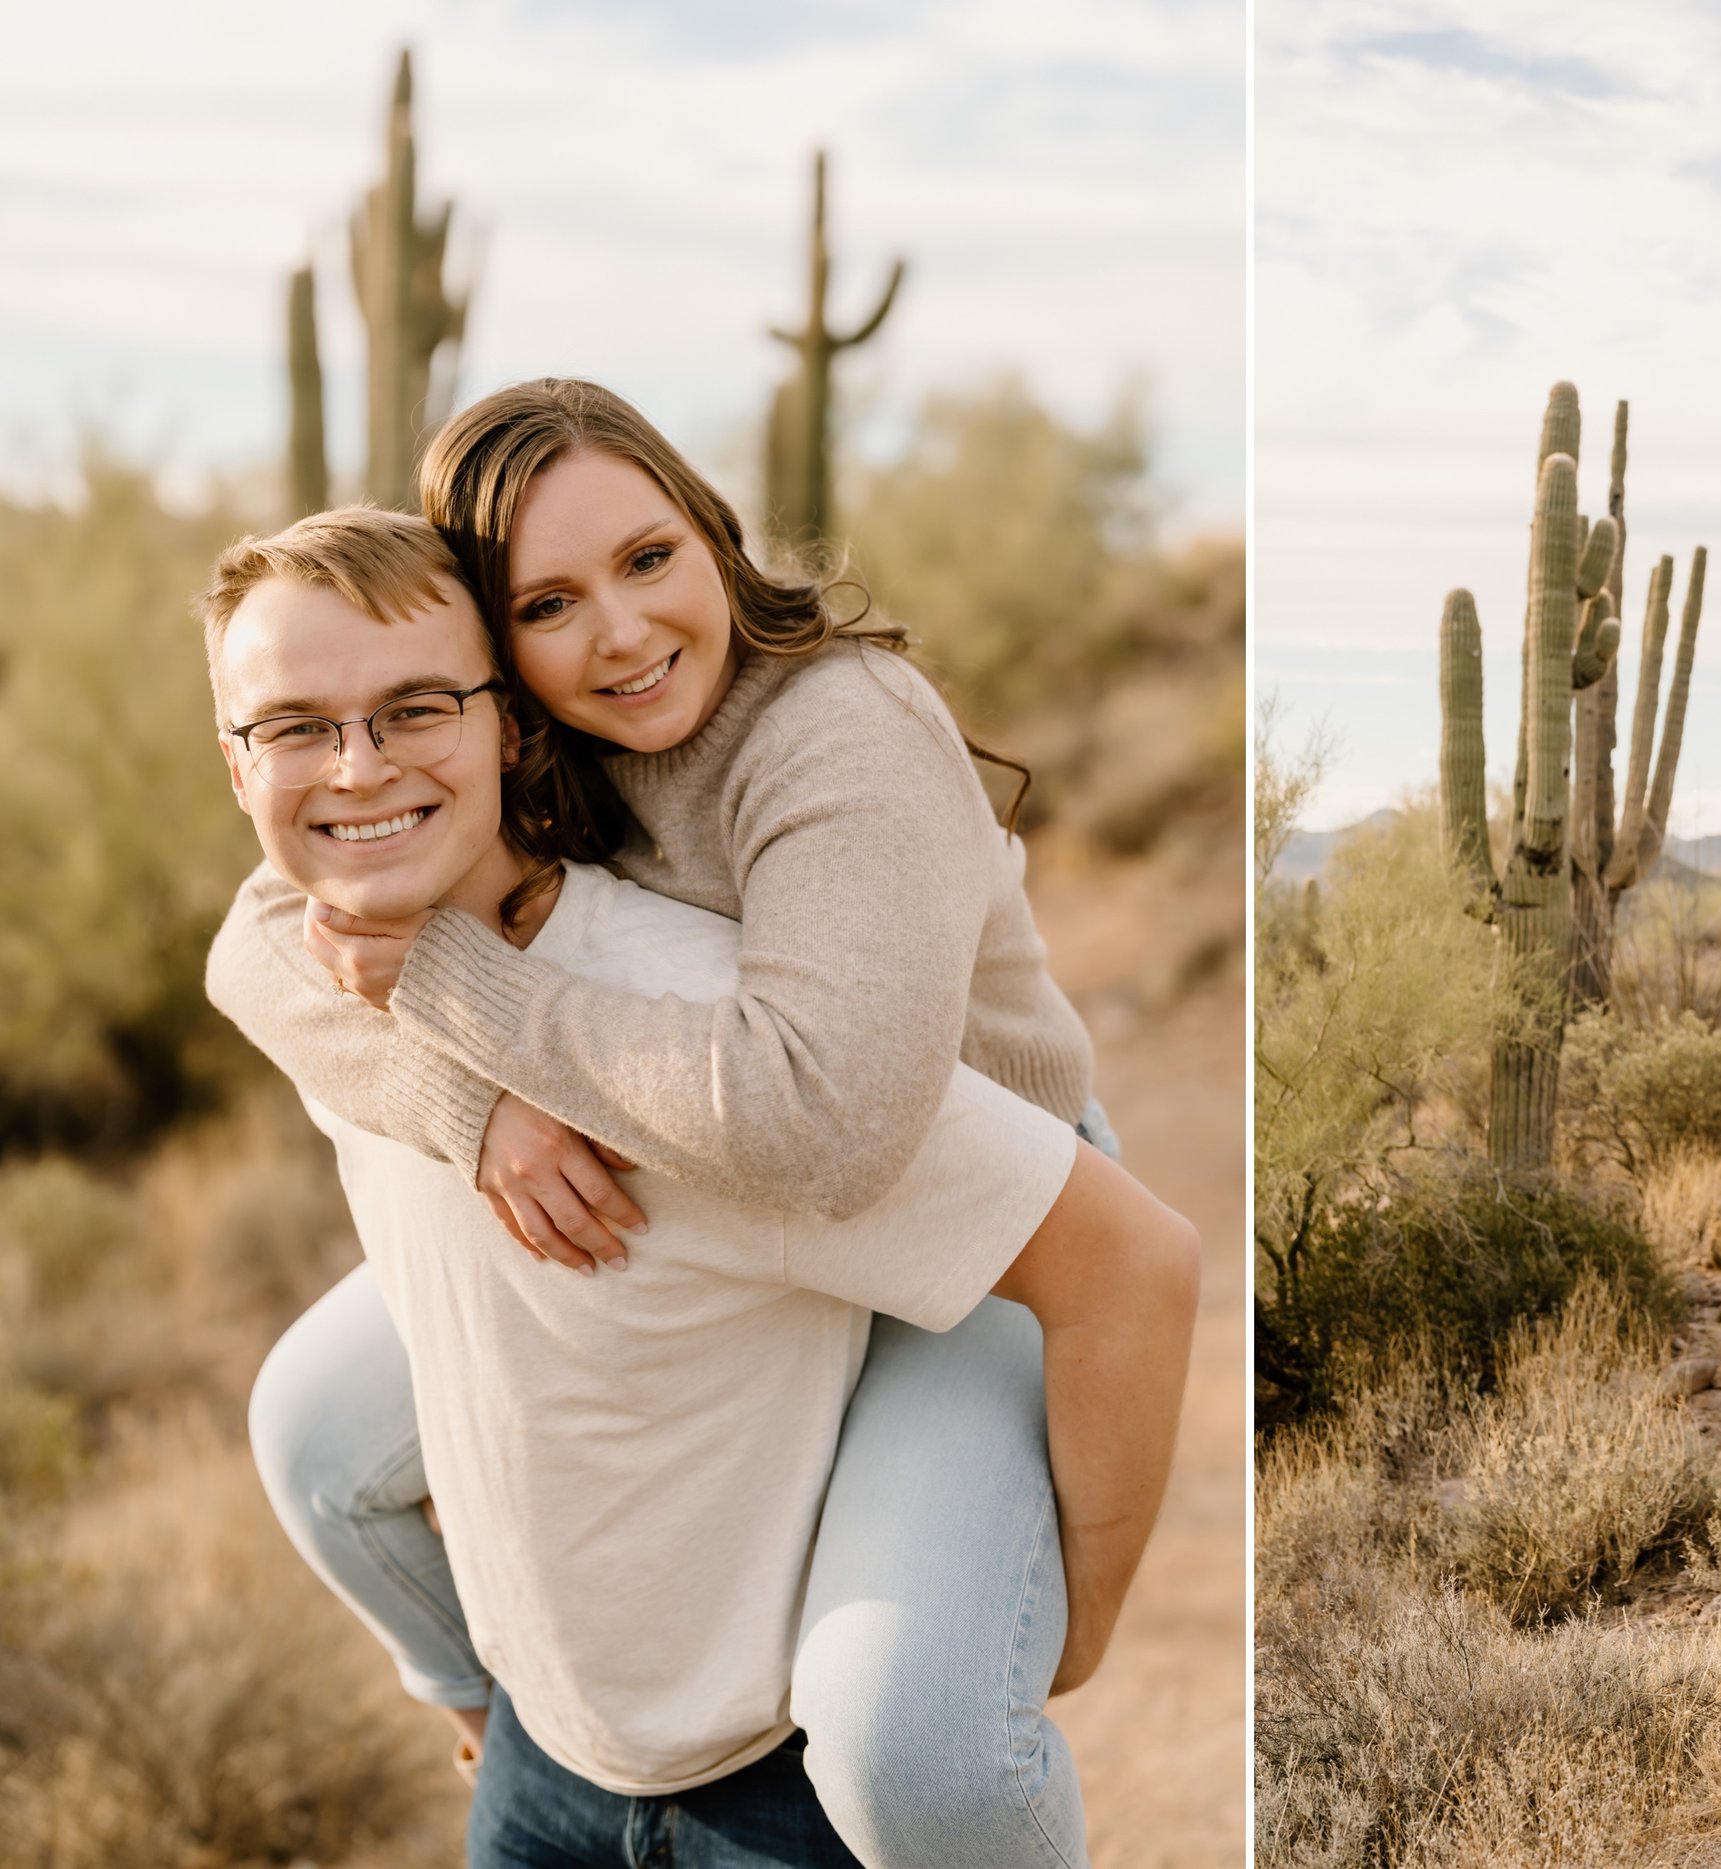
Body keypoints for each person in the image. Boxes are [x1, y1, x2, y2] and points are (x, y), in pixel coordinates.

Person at [204, 380, 1180, 1864]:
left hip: (972, 1227)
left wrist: (1076, 1610)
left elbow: (829, 1127)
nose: (621, 631)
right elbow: (262, 939)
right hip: (702, 1142)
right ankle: (512, 1716)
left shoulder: (835, 732)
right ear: (493, 653)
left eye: (651, 557)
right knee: (320, 1435)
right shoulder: (514, 737)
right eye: (548, 600)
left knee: (906, 1728)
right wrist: (476, 1111)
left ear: (711, 536)